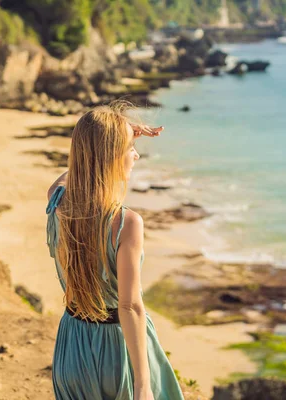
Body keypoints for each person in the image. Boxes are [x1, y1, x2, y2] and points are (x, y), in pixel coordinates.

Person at [45, 102, 185, 400]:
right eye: (130, 148)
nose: (136, 154)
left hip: (72, 347)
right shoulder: (126, 224)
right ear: (110, 158)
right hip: (117, 352)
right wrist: (143, 384)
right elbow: (130, 307)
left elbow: (73, 174)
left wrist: (102, 143)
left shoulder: (59, 204)